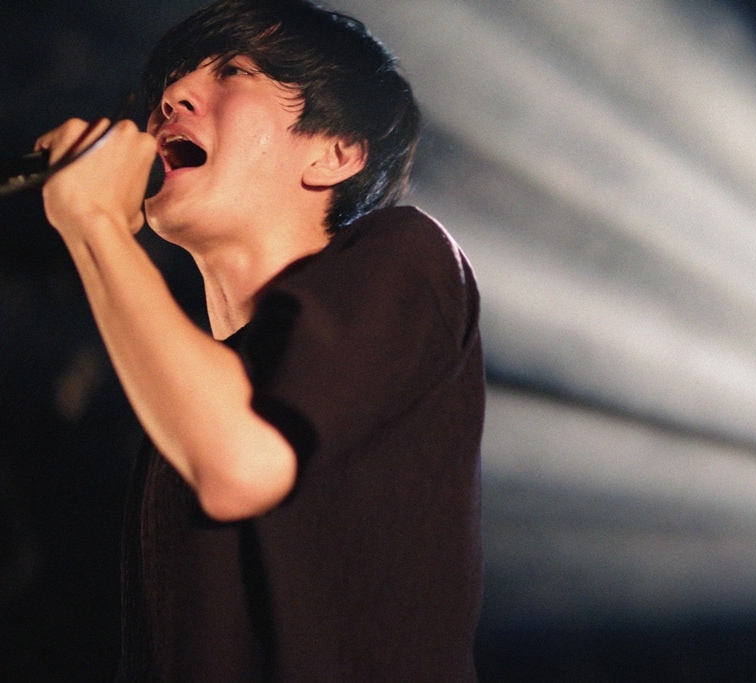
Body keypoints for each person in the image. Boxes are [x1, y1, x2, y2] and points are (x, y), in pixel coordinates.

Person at [35, 0, 484, 680]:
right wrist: (88, 228)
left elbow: (243, 466)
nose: (171, 98)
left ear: (336, 152)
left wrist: (95, 223)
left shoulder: (407, 256)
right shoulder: (184, 413)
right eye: (170, 82)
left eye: (233, 72)